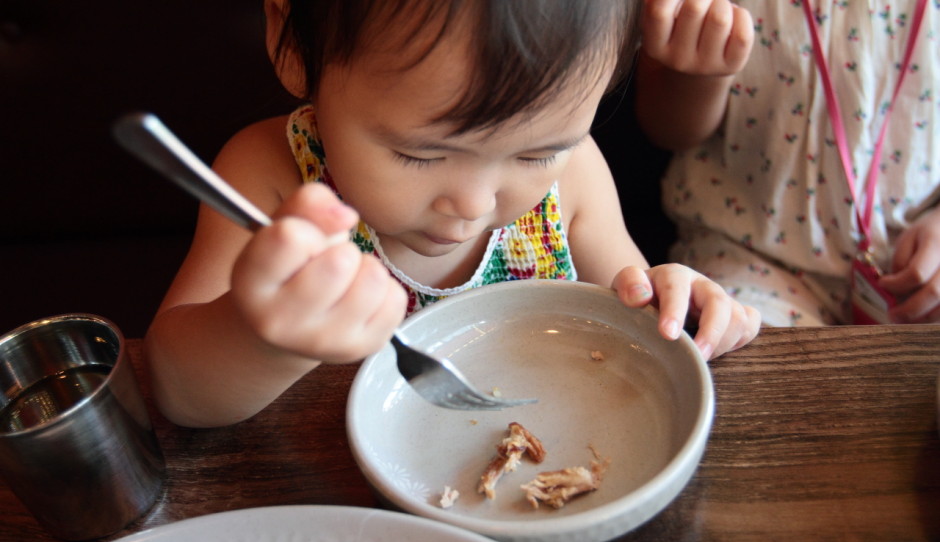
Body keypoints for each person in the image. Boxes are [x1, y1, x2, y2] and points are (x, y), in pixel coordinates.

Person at [145, 0, 760, 428]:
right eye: (420, 153)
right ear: (292, 45)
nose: (473, 204)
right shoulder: (271, 179)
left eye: (535, 152)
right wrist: (261, 336)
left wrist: (676, 304)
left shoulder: (572, 177)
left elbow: (633, 314)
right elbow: (173, 387)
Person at [636, 0, 940, 327]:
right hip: (750, 255)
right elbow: (666, 129)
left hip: (914, 266)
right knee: (746, 358)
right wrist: (699, 73)